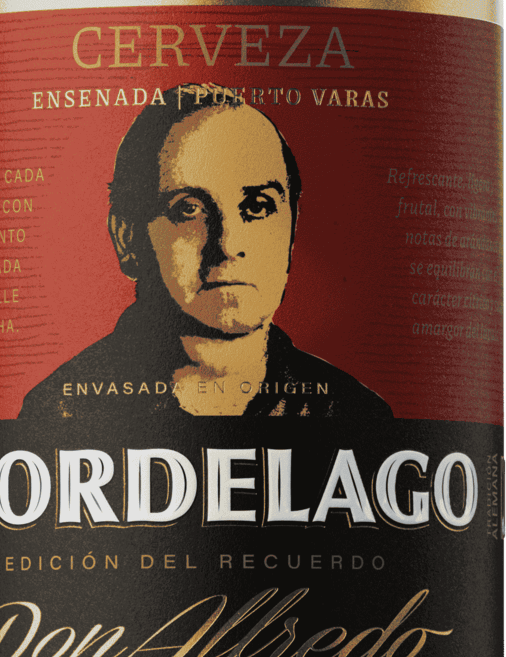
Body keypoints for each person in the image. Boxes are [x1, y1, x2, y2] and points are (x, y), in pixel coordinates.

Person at [20, 84, 391, 421]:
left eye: (259, 206)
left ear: (291, 230)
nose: (228, 246)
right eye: (188, 209)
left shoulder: (355, 414)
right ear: (127, 238)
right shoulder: (61, 412)